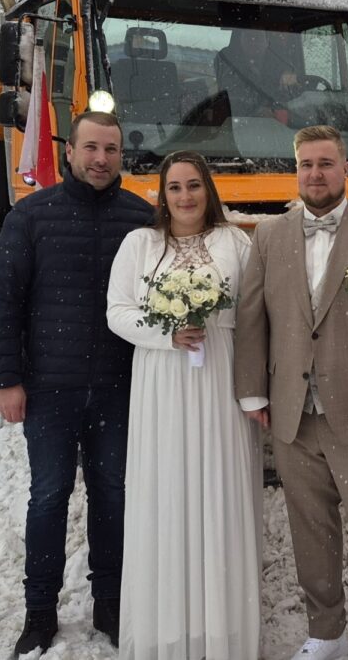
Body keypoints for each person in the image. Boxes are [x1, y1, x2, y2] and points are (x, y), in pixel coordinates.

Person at [234, 125, 348, 660]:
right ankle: (327, 633)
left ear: (344, 169)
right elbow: (252, 318)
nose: (315, 174)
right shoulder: (269, 235)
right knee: (310, 534)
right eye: (306, 165)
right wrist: (253, 391)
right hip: (294, 417)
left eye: (325, 163)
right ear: (297, 172)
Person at [0, 111, 154, 656]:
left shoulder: (143, 218)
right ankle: (39, 613)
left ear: (121, 156)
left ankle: (111, 602)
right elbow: (5, 301)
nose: (100, 159)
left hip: (117, 387)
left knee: (112, 496)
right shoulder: (31, 216)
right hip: (50, 390)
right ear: (70, 152)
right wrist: (8, 379)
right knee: (48, 497)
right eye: (91, 148)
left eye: (110, 149)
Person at [105, 150, 262, 660]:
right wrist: (165, 330)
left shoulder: (235, 241)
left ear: (208, 189)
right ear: (162, 194)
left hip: (219, 375)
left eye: (194, 185)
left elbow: (257, 314)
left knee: (220, 489)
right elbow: (117, 312)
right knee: (165, 492)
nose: (186, 196)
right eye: (175, 187)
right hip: (163, 379)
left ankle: (224, 635)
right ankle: (165, 632)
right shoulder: (140, 244)